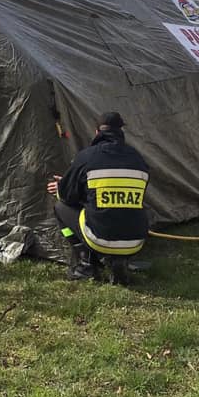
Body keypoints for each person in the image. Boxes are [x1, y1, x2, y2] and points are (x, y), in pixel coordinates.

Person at [47, 111, 149, 285]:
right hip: (136, 241)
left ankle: (85, 265)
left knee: (60, 207)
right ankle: (119, 261)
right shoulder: (138, 159)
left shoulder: (87, 157)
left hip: (100, 239)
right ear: (121, 131)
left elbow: (67, 197)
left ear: (96, 132)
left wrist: (61, 186)